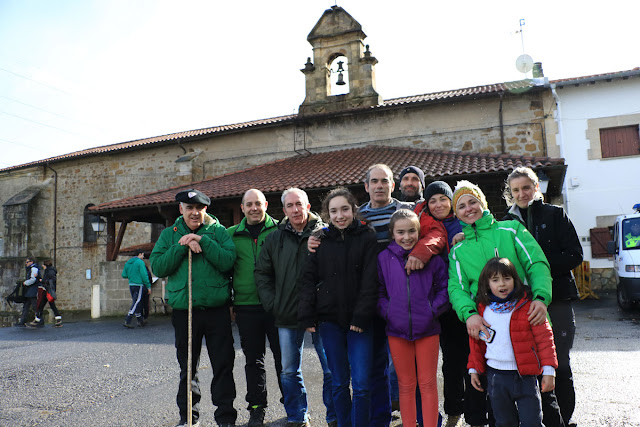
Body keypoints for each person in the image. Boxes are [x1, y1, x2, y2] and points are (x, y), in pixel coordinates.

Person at [448, 180, 553, 427]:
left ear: (482, 203)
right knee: (499, 410)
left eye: (472, 201)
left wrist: (541, 298)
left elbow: (536, 264)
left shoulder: (511, 230)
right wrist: (470, 314)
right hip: (491, 332)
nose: (468, 208)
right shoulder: (458, 250)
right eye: (461, 206)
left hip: (527, 324)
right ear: (457, 213)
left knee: (543, 404)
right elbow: (457, 287)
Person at [503, 167, 583, 426]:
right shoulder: (506, 223)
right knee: (531, 365)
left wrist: (537, 265)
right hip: (522, 304)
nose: (522, 193)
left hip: (557, 298)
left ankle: (565, 418)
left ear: (536, 188)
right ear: (511, 193)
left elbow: (575, 255)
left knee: (559, 362)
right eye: (516, 190)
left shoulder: (555, 214)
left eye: (526, 187)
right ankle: (544, 419)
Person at [150, 189, 237, 427]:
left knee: (222, 364)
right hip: (184, 312)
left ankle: (226, 418)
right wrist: (182, 245)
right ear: (181, 210)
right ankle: (189, 417)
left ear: (205, 210)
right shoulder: (169, 235)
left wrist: (203, 241)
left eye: (199, 208)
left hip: (217, 311)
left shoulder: (218, 232)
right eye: (189, 208)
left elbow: (228, 262)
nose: (194, 213)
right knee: (187, 367)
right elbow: (158, 267)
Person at [254, 188, 336, 427]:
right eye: (290, 206)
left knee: (331, 369)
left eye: (299, 204)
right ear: (284, 210)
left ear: (308, 206)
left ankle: (334, 415)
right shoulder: (274, 239)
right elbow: (262, 274)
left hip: (323, 314)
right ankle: (297, 416)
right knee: (289, 370)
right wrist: (273, 303)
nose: (295, 210)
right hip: (287, 312)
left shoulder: (326, 235)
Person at [298, 187, 379, 427]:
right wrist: (307, 316)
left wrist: (361, 316)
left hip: (360, 323)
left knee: (362, 385)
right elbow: (307, 280)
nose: (340, 215)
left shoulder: (367, 237)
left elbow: (371, 281)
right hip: (329, 322)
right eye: (333, 211)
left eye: (344, 209)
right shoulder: (320, 240)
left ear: (353, 210)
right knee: (339, 382)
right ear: (327, 214)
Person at [377, 209, 449, 427]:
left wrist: (430, 311)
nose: (406, 237)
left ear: (419, 232)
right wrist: (389, 313)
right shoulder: (383, 258)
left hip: (427, 329)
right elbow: (379, 292)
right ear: (392, 233)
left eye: (411, 231)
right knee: (405, 385)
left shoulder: (433, 260)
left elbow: (444, 290)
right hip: (396, 331)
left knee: (427, 384)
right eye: (400, 232)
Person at [414, 181, 477, 427]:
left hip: (469, 298)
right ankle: (453, 411)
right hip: (442, 303)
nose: (438, 204)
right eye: (433, 200)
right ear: (427, 205)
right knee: (451, 360)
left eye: (443, 198)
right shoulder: (423, 226)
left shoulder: (464, 220)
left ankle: (476, 413)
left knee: (475, 359)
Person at [468, 257, 558, 427]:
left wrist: (548, 370)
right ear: (487, 284)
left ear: (515, 280)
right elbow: (477, 344)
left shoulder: (528, 306)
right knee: (504, 422)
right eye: (495, 280)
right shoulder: (482, 309)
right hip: (495, 377)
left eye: (507, 278)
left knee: (532, 422)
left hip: (525, 377)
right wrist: (474, 368)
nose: (502, 284)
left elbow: (545, 339)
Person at [227, 189, 283, 426]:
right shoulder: (230, 234)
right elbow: (224, 269)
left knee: (284, 358)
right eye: (249, 204)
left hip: (278, 306)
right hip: (246, 306)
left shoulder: (281, 229)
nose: (254, 208)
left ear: (266, 205)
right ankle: (257, 407)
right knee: (253, 360)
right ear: (242, 208)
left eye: (258, 204)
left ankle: (292, 402)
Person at [27, 259, 62, 328]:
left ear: (46, 265)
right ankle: (38, 320)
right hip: (46, 290)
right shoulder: (49, 270)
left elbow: (51, 280)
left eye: (43, 265)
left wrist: (43, 280)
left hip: (48, 290)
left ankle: (38, 320)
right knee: (42, 305)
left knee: (46, 305)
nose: (42, 266)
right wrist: (40, 279)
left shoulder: (50, 271)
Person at [122, 249, 151, 328]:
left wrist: (132, 276)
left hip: (131, 284)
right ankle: (128, 319)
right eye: (143, 255)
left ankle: (140, 320)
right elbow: (144, 275)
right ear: (140, 254)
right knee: (136, 302)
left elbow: (124, 275)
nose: (143, 256)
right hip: (139, 285)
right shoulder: (140, 262)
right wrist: (148, 286)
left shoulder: (128, 262)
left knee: (136, 302)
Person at [14, 257, 41, 327]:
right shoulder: (31, 269)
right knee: (26, 306)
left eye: (27, 262)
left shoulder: (34, 269)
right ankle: (22, 321)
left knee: (35, 306)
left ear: (31, 262)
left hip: (33, 290)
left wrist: (25, 283)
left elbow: (33, 279)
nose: (26, 263)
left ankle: (40, 320)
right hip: (30, 290)